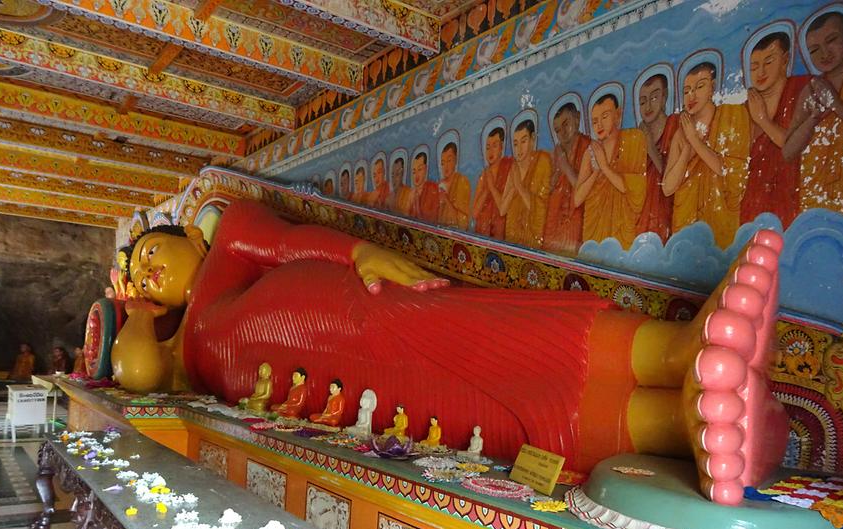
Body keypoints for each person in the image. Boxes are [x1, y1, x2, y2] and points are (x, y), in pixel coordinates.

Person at [113, 199, 788, 506]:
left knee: (486, 331)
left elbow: (291, 243)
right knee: (488, 420)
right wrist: (134, 314)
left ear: (189, 238)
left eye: (151, 252)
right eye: (139, 274)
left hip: (356, 307)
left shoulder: (227, 236)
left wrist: (363, 253)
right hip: (346, 397)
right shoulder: (176, 352)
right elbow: (134, 374)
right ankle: (686, 425)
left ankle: (680, 351)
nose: (148, 271)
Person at [783, 12, 843, 225]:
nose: (824, 53)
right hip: (820, 196)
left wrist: (836, 104)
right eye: (814, 50)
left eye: (831, 40)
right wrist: (813, 118)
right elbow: (788, 152)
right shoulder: (811, 90)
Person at [663, 62, 750, 248]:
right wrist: (687, 147)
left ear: (713, 87)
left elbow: (728, 170)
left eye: (699, 86)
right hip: (685, 223)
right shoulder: (680, 134)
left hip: (719, 219)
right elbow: (668, 187)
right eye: (686, 91)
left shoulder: (731, 115)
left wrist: (695, 141)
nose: (691, 96)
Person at [741, 32, 809, 227]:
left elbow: (794, 146)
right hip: (752, 201)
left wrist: (763, 120)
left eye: (768, 62)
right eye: (754, 67)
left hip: (792, 193)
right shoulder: (744, 110)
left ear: (785, 60)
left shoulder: (801, 91)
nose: (760, 72)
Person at [574, 94, 647, 249]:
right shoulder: (591, 152)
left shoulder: (633, 139)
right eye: (594, 121)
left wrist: (605, 168)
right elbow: (577, 199)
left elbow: (634, 190)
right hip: (594, 230)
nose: (599, 125)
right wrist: (596, 173)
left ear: (618, 114)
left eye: (605, 116)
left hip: (622, 227)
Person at [635, 74, 678, 242]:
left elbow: (672, 178)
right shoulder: (636, 137)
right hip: (643, 217)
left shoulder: (676, 125)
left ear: (665, 96)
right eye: (642, 101)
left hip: (668, 212)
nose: (648, 106)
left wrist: (650, 148)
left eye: (654, 97)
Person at [544, 102, 590, 254]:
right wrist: (557, 172)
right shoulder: (557, 153)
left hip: (576, 220)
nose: (562, 132)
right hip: (555, 221)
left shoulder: (589, 148)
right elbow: (547, 190)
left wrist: (566, 167)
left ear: (577, 119)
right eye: (557, 130)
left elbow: (586, 193)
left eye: (566, 124)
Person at [501, 120, 552, 248]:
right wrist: (513, 188)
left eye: (523, 141)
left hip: (533, 239)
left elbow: (541, 210)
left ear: (533, 139)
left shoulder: (543, 161)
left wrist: (519, 186)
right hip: (513, 236)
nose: (519, 149)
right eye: (515, 144)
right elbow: (502, 210)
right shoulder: (514, 169)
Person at [472, 127, 512, 240]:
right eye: (488, 147)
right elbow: (474, 213)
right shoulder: (484, 175)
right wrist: (486, 190)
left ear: (502, 147)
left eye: (495, 146)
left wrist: (492, 187)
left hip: (503, 235)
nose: (491, 151)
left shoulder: (509, 169)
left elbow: (504, 209)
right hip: (483, 232)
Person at [437, 143, 471, 229]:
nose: (446, 166)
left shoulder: (462, 182)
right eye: (443, 163)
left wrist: (446, 199)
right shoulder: (439, 185)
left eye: (449, 161)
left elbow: (462, 221)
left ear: (455, 160)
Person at [409, 152, 441, 221]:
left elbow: (433, 219)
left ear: (425, 169)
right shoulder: (411, 193)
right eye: (414, 172)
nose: (416, 175)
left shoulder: (432, 189)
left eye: (420, 169)